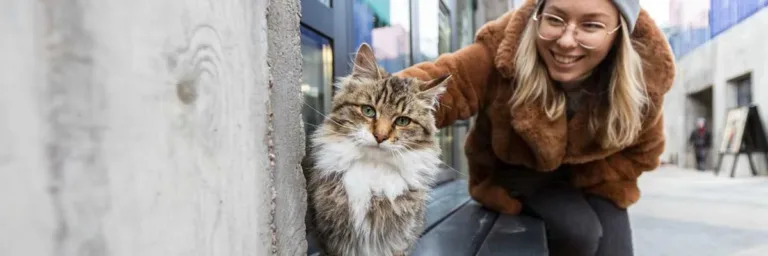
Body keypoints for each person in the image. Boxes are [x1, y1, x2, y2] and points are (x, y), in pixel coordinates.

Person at [395, 0, 674, 255]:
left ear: (618, 32)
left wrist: (594, 177)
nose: (566, 41)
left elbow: (643, 153)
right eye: (555, 20)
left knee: (615, 249)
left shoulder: (646, 78)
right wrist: (373, 103)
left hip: (595, 178)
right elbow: (447, 83)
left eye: (591, 25)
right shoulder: (504, 47)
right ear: (538, 16)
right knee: (579, 232)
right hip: (515, 171)